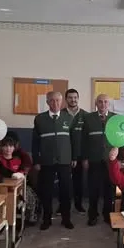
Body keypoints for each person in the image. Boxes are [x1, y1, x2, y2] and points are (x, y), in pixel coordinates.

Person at [32, 91, 75, 230]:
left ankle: (66, 219)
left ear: (62, 102)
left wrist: (74, 157)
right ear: (47, 102)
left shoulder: (69, 118)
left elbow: (74, 140)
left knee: (66, 191)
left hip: (65, 161)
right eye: (51, 100)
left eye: (57, 100)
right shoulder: (39, 119)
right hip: (46, 161)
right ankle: (46, 219)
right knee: (46, 191)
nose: (55, 103)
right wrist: (36, 160)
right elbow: (35, 142)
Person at [81, 94, 117, 226]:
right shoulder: (88, 118)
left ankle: (108, 215)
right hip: (94, 159)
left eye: (105, 102)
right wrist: (84, 158)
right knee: (93, 189)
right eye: (100, 102)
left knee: (109, 190)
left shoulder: (115, 118)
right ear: (96, 103)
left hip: (110, 160)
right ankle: (93, 215)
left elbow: (121, 138)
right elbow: (84, 140)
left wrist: (119, 158)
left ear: (109, 104)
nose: (103, 104)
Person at [61, 88, 87, 213]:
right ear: (66, 99)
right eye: (70, 97)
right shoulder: (60, 114)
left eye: (75, 97)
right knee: (64, 182)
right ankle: (62, 206)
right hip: (63, 155)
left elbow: (87, 137)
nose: (73, 100)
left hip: (80, 155)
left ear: (78, 98)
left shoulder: (86, 115)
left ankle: (78, 204)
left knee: (78, 181)